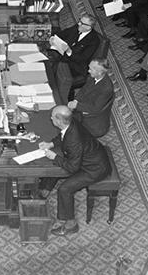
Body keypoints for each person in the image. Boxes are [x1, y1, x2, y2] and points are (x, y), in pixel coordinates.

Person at [38, 106, 111, 236]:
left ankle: (71, 225)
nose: (50, 118)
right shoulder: (71, 122)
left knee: (65, 189)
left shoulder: (74, 140)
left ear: (59, 120)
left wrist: (54, 157)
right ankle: (44, 191)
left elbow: (72, 167)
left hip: (94, 168)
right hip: (88, 156)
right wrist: (51, 144)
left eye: (53, 117)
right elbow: (62, 136)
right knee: (57, 165)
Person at [68, 58, 115, 138]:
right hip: (85, 106)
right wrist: (75, 100)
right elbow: (83, 90)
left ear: (99, 72)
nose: (88, 71)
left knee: (67, 125)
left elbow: (95, 108)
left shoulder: (107, 88)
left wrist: (76, 106)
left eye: (91, 69)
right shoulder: (92, 77)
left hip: (93, 120)